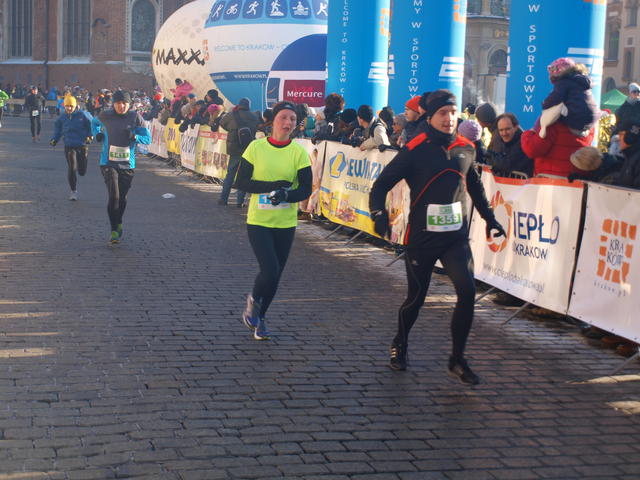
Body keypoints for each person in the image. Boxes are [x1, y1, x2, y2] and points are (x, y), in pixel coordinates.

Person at [368, 89, 505, 385]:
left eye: (453, 113)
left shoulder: (466, 147)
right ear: (430, 117)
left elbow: (475, 187)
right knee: (416, 298)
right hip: (422, 238)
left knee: (467, 291)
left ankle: (457, 359)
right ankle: (400, 343)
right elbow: (380, 186)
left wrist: (490, 219)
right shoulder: (415, 149)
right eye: (443, 113)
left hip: (455, 237)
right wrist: (378, 213)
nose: (449, 118)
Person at [233, 101, 312, 340]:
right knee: (270, 269)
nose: (288, 123)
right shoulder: (256, 147)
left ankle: (261, 318)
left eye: (292, 119)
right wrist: (273, 187)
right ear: (273, 121)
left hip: (285, 223)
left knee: (276, 274)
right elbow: (241, 182)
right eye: (283, 117)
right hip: (259, 221)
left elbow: (305, 189)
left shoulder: (299, 152)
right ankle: (254, 301)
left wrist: (286, 195)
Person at [91, 90, 151, 244]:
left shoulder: (135, 117)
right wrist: (97, 134)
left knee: (122, 198)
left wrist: (135, 136)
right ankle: (113, 230)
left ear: (129, 104)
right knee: (114, 196)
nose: (121, 106)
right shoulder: (106, 115)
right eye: (118, 103)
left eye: (124, 103)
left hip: (127, 164)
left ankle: (118, 222)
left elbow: (147, 139)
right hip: (108, 162)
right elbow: (94, 122)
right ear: (114, 104)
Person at [538, 57, 598, 138]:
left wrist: (544, 104)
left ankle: (538, 134)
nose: (550, 73)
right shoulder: (580, 81)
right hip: (591, 121)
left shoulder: (564, 82)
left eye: (553, 70)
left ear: (559, 71)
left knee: (550, 112)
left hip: (576, 120)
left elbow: (554, 99)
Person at [50, 94, 93, 200]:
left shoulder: (83, 115)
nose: (69, 108)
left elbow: (92, 125)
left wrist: (90, 136)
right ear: (64, 106)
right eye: (67, 106)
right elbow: (58, 130)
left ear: (75, 106)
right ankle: (73, 191)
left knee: (82, 172)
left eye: (71, 106)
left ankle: (81, 168)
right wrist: (54, 139)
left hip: (82, 145)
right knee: (72, 168)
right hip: (69, 146)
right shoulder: (62, 118)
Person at [219, 97, 260, 207]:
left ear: (239, 105)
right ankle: (239, 202)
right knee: (244, 176)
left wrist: (232, 130)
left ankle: (223, 199)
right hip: (248, 149)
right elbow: (258, 127)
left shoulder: (232, 115)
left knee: (230, 175)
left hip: (234, 148)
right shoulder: (254, 116)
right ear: (249, 106)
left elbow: (222, 123)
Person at [486, 113, 533, 178]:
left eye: (507, 129)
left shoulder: (523, 142)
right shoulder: (499, 140)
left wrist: (492, 159)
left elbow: (506, 164)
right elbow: (488, 155)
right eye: (501, 130)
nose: (504, 133)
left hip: (521, 183)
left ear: (516, 127)